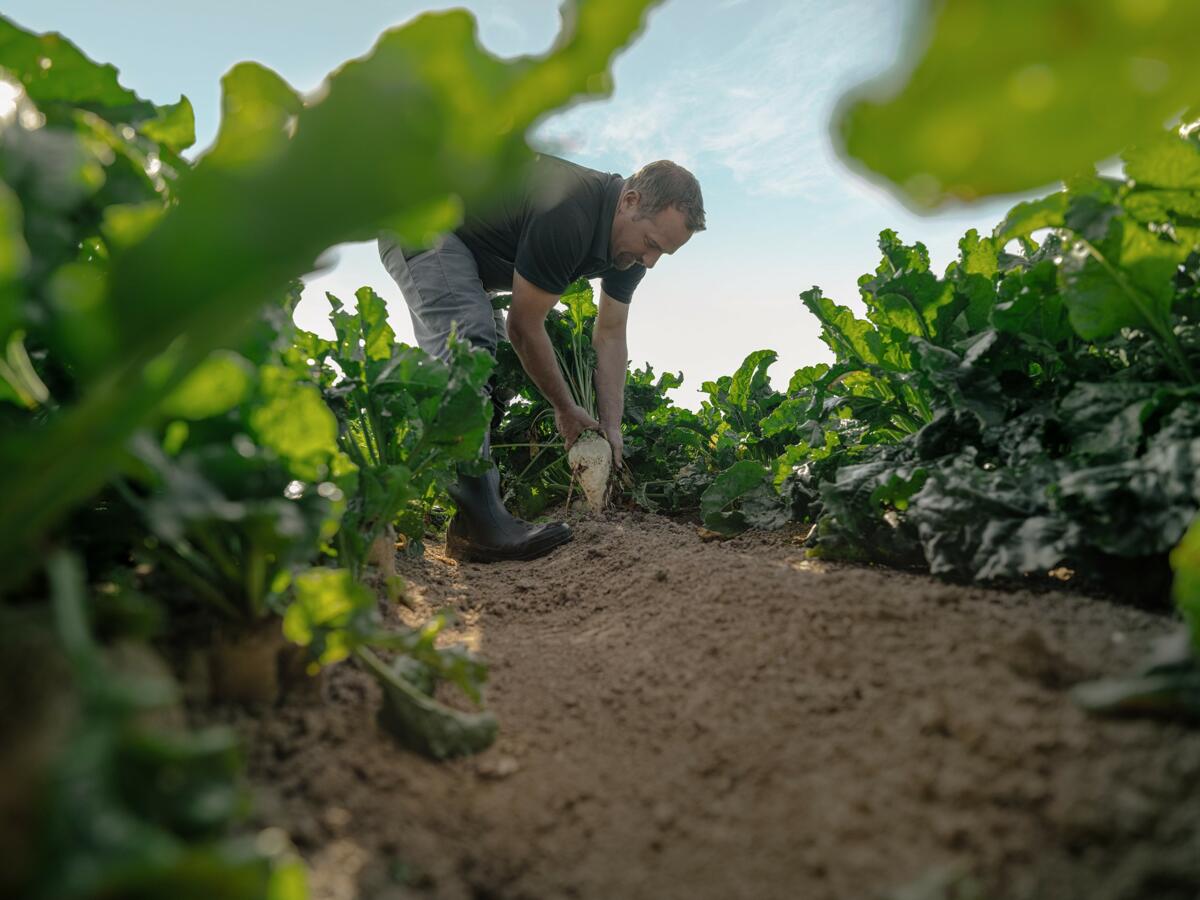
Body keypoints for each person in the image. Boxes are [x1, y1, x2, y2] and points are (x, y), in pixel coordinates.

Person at [379, 154, 705, 562]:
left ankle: (470, 524)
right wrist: (566, 410)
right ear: (630, 201)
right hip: (425, 225)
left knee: (500, 377)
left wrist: (612, 426)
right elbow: (523, 327)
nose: (651, 261)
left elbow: (610, 334)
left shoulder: (629, 249)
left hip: (474, 255)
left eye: (663, 254)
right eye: (652, 245)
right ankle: (483, 522)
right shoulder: (570, 211)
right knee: (469, 346)